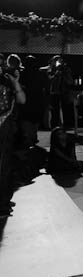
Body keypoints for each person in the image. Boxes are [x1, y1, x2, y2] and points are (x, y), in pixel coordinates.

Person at [0, 62, 26, 219]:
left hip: (6, 128)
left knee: (5, 165)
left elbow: (22, 100)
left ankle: (3, 201)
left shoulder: (7, 80)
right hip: (4, 125)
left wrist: (16, 82)